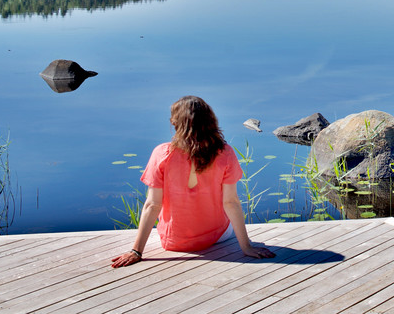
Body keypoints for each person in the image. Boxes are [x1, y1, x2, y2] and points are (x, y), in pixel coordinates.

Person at [111, 96, 275, 267]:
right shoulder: (225, 152)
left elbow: (152, 205)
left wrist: (136, 251)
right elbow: (231, 202)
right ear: (210, 122)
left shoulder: (161, 154)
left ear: (175, 123)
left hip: (173, 241)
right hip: (215, 237)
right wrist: (246, 247)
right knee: (229, 222)